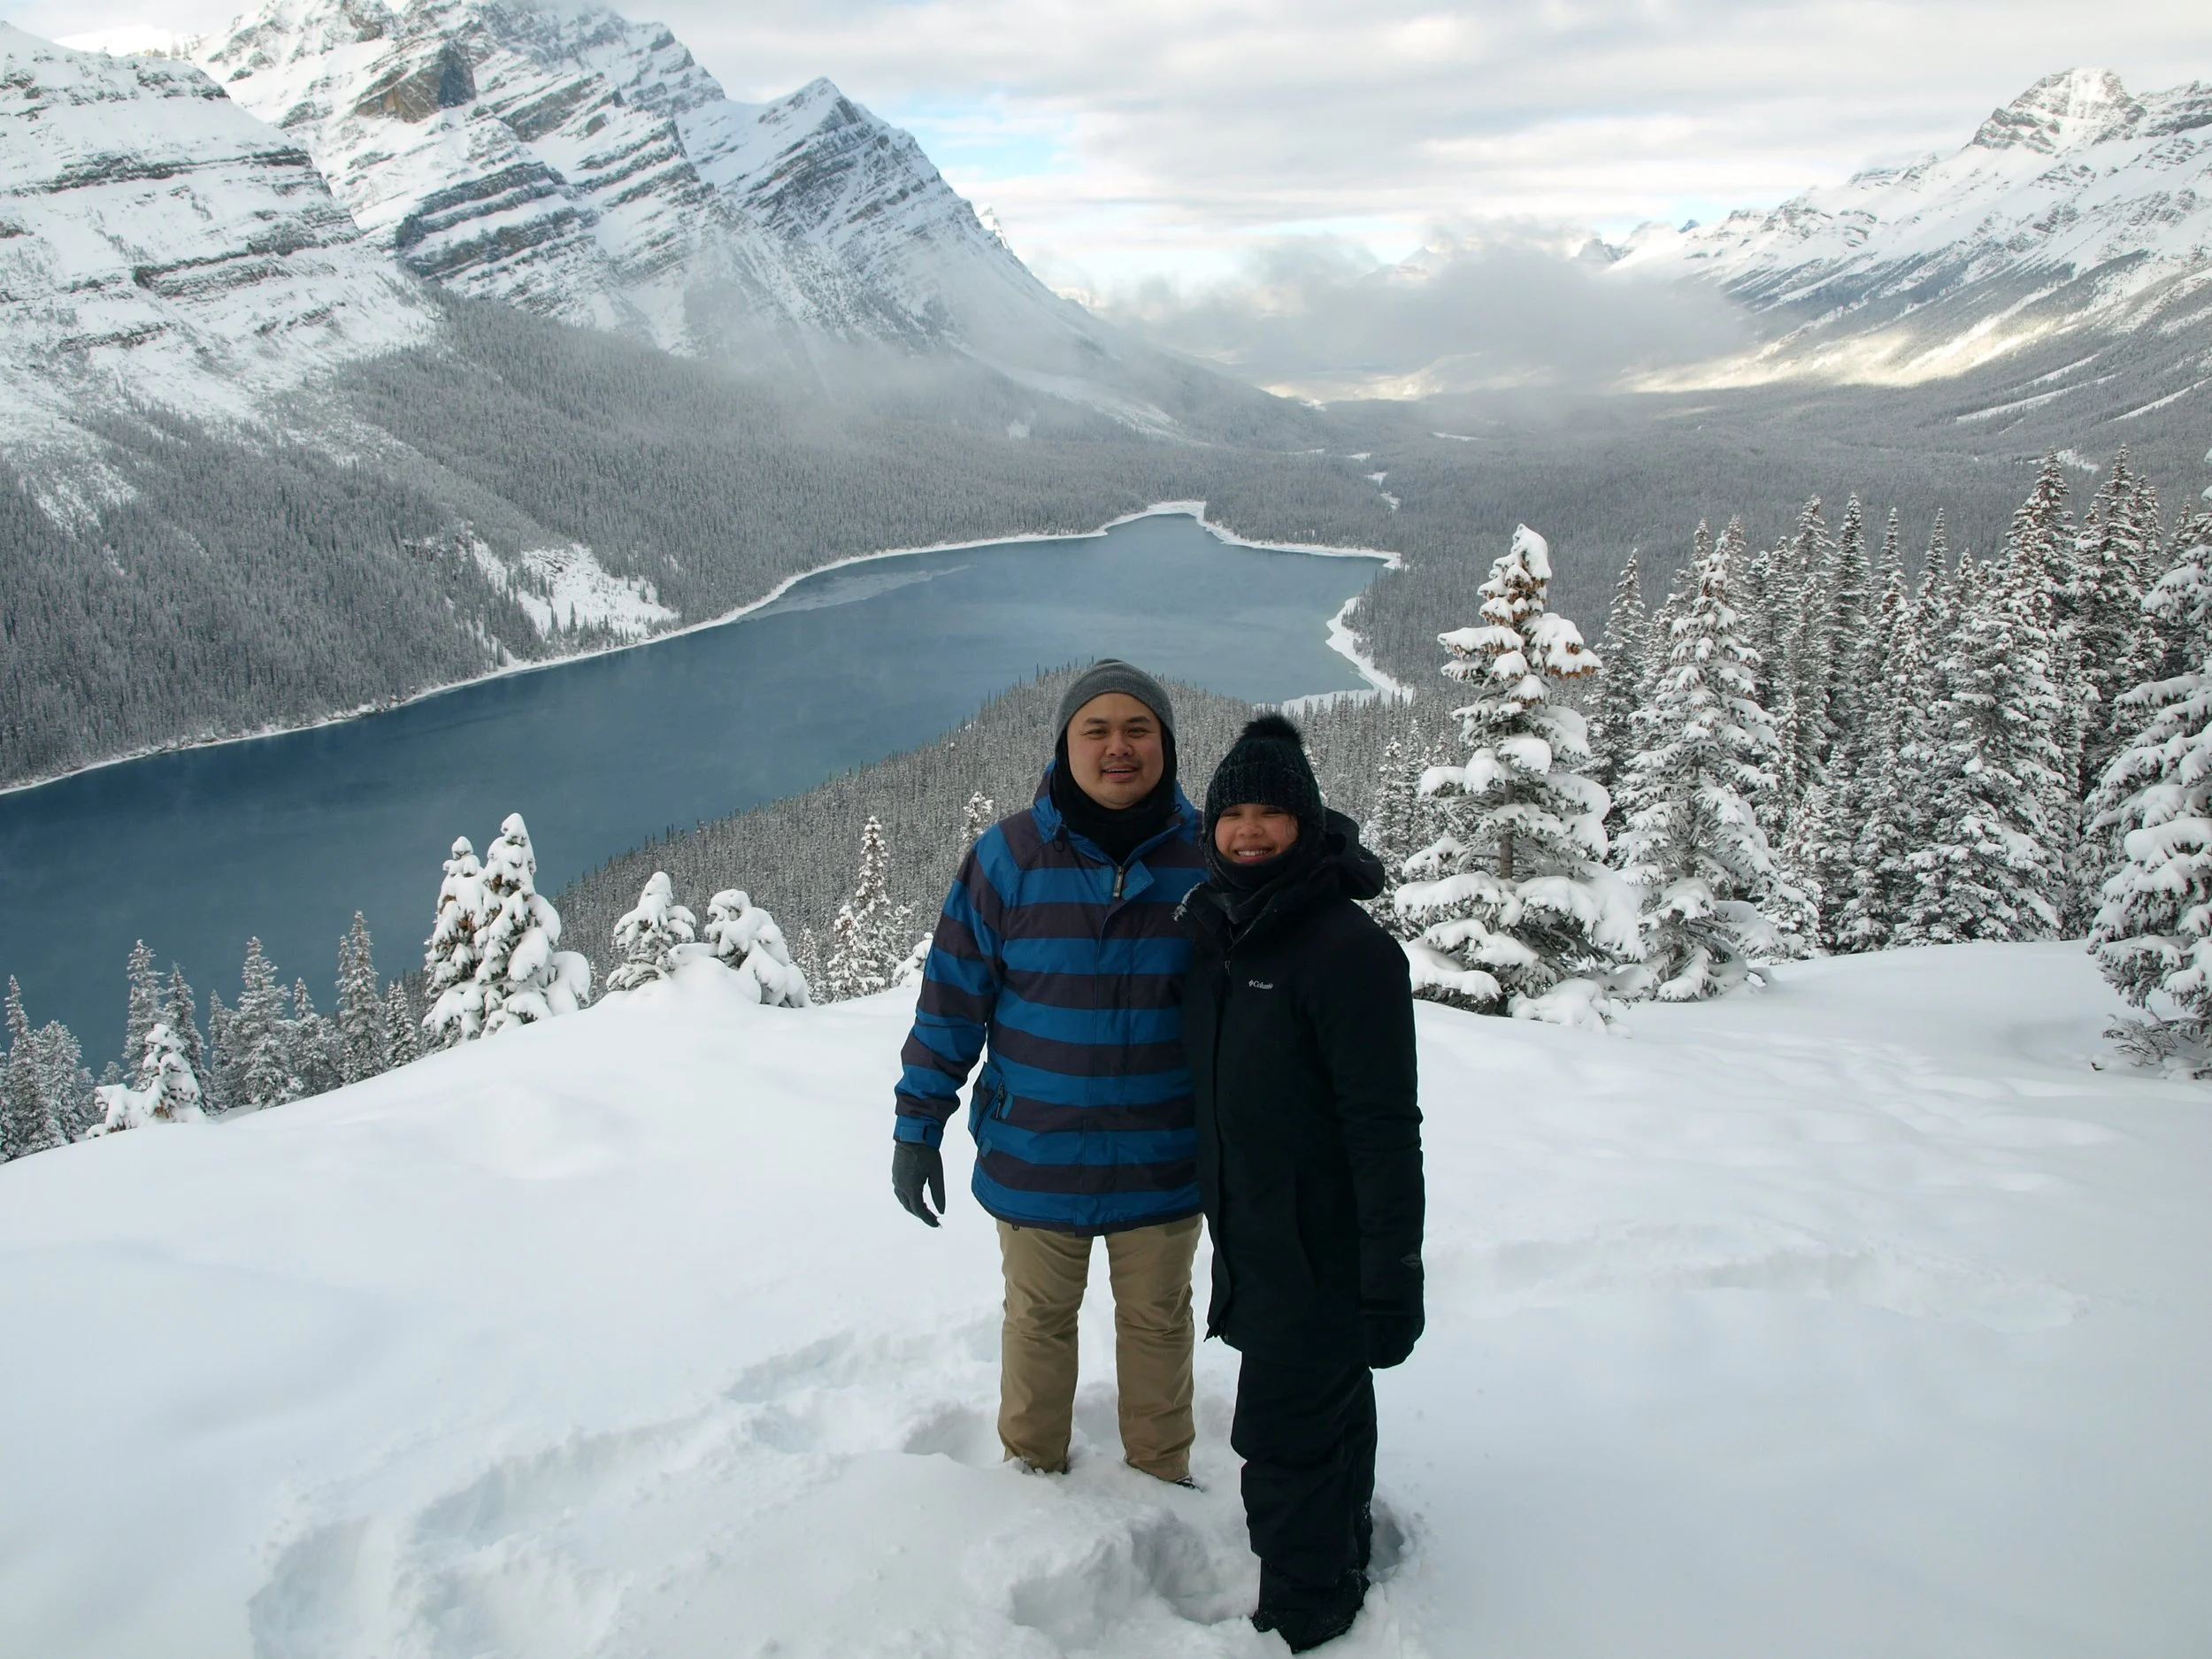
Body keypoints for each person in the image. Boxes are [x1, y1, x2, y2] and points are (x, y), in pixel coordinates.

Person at [891, 660, 1209, 1484]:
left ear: (1166, 745)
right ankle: (1029, 1480)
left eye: (1137, 728)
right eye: (1095, 729)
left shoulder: (1209, 861)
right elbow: (951, 1003)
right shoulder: (1006, 859)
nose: (1117, 747)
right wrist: (917, 1126)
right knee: (1037, 1321)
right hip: (1037, 1150)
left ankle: (1163, 1479)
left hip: (1165, 1151)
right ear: (1064, 743)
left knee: (1158, 1324)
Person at [1178, 713, 1424, 1654]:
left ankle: (1306, 1612)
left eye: (1270, 813)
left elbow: (1383, 1129)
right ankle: (1340, 1547)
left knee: (1281, 1438)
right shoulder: (1220, 932)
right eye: (1232, 811)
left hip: (1317, 1247)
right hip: (1257, 1237)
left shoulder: (1346, 952)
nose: (1248, 830)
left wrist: (1390, 1274)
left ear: (1307, 823)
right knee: (1325, 1412)